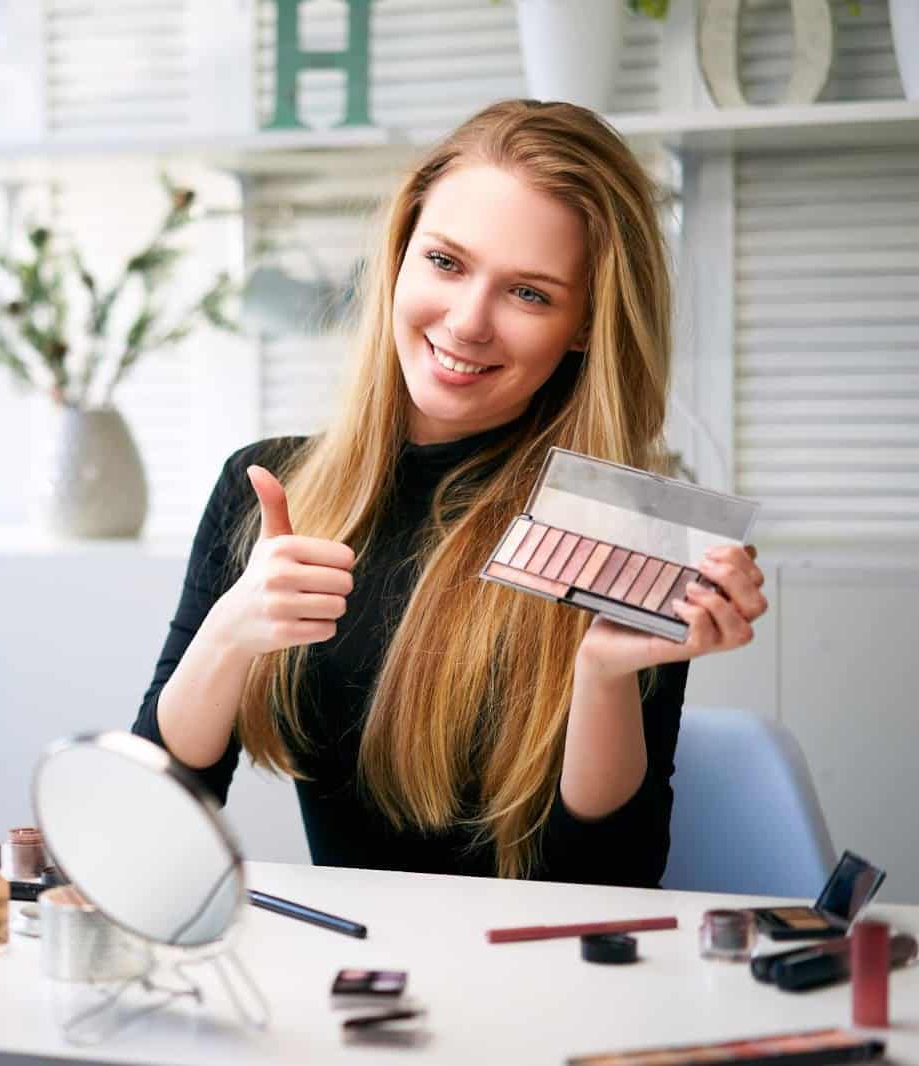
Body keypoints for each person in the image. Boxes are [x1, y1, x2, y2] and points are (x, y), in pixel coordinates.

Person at [131, 100, 769, 887]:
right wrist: (230, 631)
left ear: (583, 326)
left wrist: (604, 673)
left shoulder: (618, 527)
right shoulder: (267, 487)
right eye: (445, 262)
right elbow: (157, 811)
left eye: (529, 293)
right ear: (399, 256)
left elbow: (607, 883)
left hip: (533, 981)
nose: (468, 323)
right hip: (352, 972)